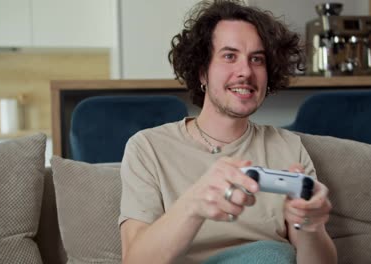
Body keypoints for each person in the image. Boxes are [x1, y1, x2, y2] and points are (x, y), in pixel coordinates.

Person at [119, 0, 337, 263]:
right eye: (229, 56)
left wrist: (311, 228)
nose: (245, 71)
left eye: (257, 59)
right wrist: (194, 205)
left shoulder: (289, 148)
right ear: (202, 72)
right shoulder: (148, 148)